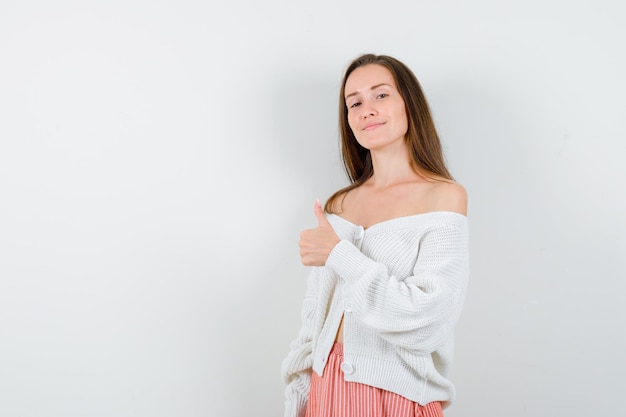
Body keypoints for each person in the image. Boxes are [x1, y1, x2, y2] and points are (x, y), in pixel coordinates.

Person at [281, 53, 469, 417]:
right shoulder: (340, 205)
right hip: (325, 393)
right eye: (354, 102)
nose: (367, 109)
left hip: (398, 397)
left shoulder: (444, 196)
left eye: (381, 95)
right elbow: (313, 321)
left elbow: (427, 322)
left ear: (408, 104)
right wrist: (300, 396)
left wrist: (340, 255)